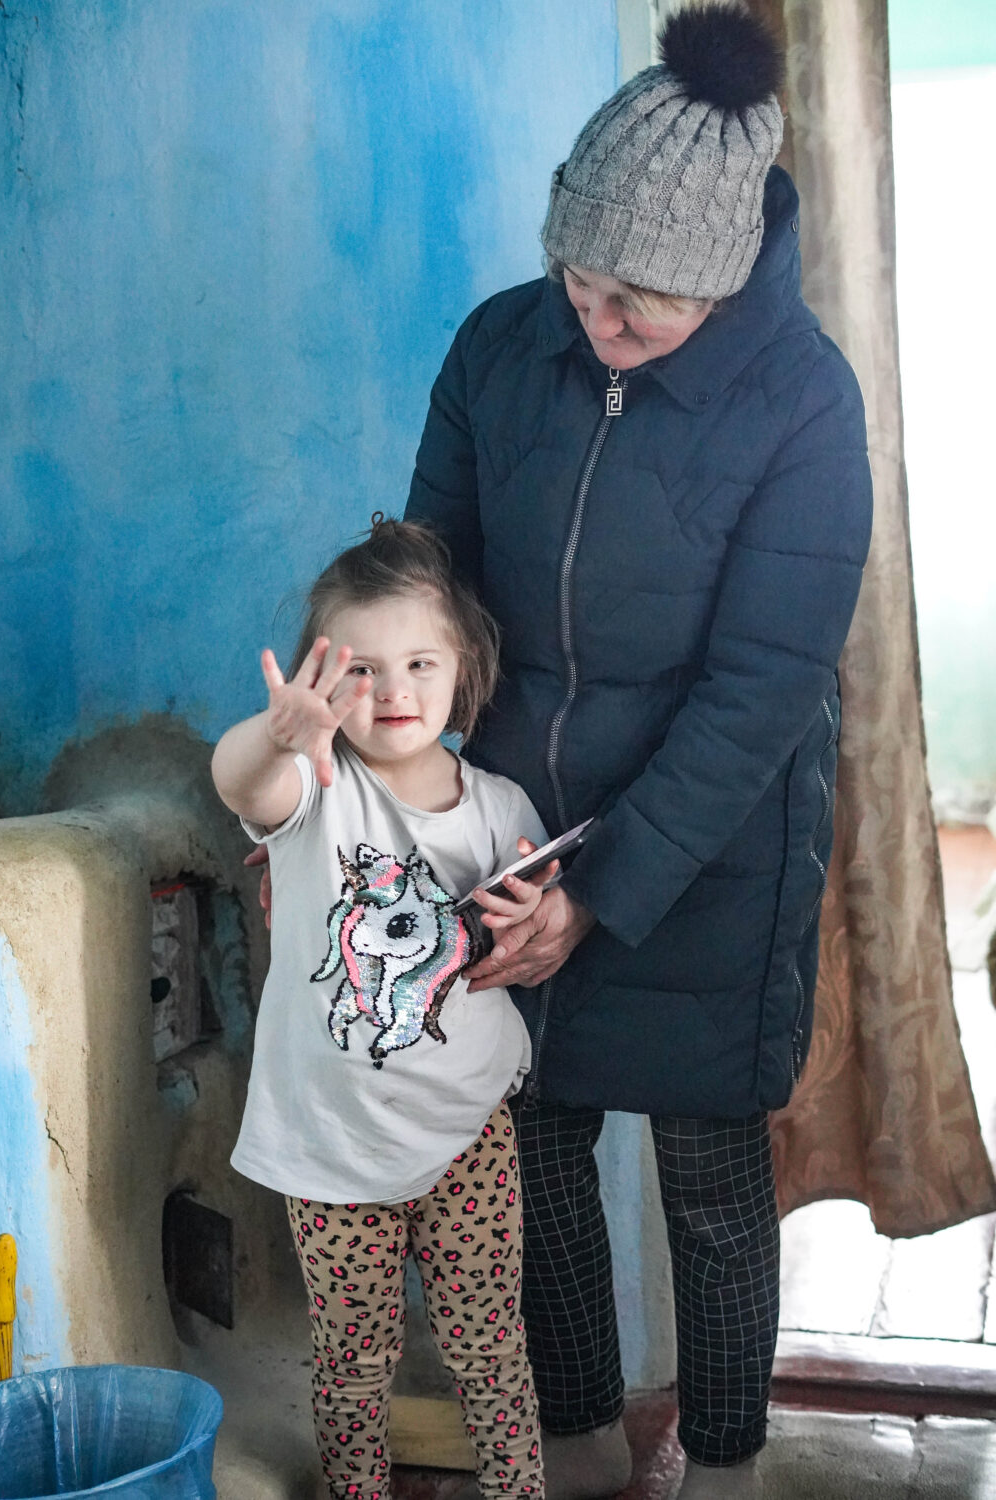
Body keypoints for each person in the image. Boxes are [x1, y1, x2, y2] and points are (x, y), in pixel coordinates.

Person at [404, 5, 874, 1498]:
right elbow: (434, 579)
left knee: (712, 1179)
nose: (593, 326)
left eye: (638, 309)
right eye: (578, 280)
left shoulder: (806, 404)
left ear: (725, 281)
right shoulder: (501, 344)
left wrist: (597, 898)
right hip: (511, 824)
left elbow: (763, 687)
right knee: (533, 1150)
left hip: (710, 843)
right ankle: (588, 1451)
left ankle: (726, 1468)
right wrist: (391, 786)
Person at [213, 518, 560, 1500]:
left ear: (465, 671)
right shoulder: (316, 786)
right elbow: (242, 783)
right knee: (350, 1362)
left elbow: (526, 948)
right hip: (328, 1145)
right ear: (325, 688)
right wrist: (274, 738)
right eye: (361, 670)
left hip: (467, 1134)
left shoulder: (499, 807)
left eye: (419, 661)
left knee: (490, 1347)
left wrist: (529, 918)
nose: (394, 690)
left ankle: (517, 1490)